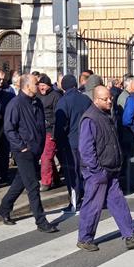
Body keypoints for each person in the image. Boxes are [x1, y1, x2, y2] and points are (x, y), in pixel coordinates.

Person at [77, 85, 134, 250]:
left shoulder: (106, 115)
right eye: (105, 99)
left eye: (110, 97)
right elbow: (86, 149)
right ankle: (84, 238)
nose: (110, 101)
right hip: (98, 171)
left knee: (118, 203)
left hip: (110, 169)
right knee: (92, 206)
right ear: (96, 100)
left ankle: (130, 235)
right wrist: (97, 170)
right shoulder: (90, 118)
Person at [0, 74, 57, 233]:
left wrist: (41, 143)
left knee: (20, 182)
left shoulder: (36, 102)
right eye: (36, 83)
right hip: (23, 151)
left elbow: (40, 125)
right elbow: (9, 129)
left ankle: (4, 209)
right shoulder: (15, 104)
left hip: (35, 149)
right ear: (27, 86)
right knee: (33, 186)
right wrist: (22, 147)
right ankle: (41, 221)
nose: (39, 86)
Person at [54, 74, 92, 213]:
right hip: (87, 140)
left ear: (63, 86)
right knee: (86, 171)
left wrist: (58, 142)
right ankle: (90, 198)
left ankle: (75, 202)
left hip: (71, 143)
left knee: (72, 172)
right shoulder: (86, 99)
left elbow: (60, 126)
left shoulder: (63, 102)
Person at [37, 74, 61, 191]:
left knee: (46, 156)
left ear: (49, 86)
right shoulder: (37, 96)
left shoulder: (55, 96)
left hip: (50, 131)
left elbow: (58, 116)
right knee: (49, 157)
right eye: (40, 85)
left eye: (44, 85)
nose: (42, 88)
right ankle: (55, 179)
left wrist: (54, 133)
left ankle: (46, 182)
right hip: (39, 131)